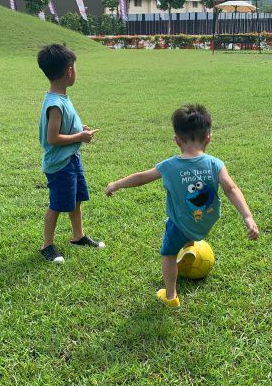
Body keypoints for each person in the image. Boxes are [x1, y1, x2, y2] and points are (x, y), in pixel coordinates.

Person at [105, 104, 259, 307]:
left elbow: (142, 177)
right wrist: (247, 216)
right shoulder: (215, 163)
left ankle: (170, 296)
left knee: (168, 254)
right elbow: (231, 188)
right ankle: (189, 248)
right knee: (189, 222)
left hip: (181, 224)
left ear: (177, 140)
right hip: (207, 219)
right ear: (208, 138)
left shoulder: (169, 166)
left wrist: (116, 184)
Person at [37, 44, 104, 263]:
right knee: (57, 204)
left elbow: (64, 128)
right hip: (60, 164)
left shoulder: (61, 98)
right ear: (69, 71)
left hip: (71, 159)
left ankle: (78, 236)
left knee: (76, 199)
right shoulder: (55, 104)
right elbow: (53, 138)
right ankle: (47, 245)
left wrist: (79, 130)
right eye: (75, 67)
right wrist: (80, 138)